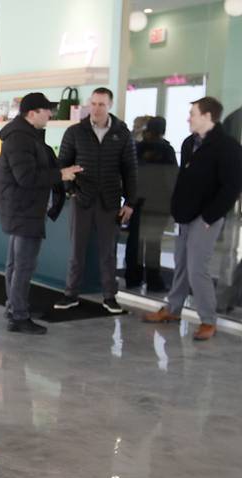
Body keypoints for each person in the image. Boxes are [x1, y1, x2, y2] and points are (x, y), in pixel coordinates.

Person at [143, 97, 242, 340]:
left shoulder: (228, 147)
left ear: (208, 117)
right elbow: (184, 181)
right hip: (185, 215)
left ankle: (208, 320)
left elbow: (231, 187)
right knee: (182, 264)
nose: (188, 118)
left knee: (198, 269)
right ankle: (173, 309)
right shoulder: (189, 143)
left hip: (206, 217)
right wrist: (177, 210)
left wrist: (209, 216)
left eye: (193, 114)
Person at [0, 92, 83, 334]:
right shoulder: (21, 138)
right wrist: (61, 175)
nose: (50, 114)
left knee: (16, 263)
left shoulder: (24, 136)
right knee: (23, 265)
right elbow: (26, 177)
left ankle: (15, 307)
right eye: (47, 110)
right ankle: (19, 315)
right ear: (32, 113)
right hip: (24, 209)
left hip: (21, 208)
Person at [53, 87, 138, 314]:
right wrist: (71, 190)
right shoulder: (75, 132)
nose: (97, 108)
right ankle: (70, 294)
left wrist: (130, 201)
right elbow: (62, 164)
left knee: (108, 252)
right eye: (94, 103)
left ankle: (110, 297)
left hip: (110, 200)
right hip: (82, 198)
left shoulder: (122, 133)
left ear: (110, 105)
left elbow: (130, 170)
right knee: (76, 250)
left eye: (102, 104)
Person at [125, 116, 178, 291]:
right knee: (154, 243)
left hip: (138, 201)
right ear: (163, 130)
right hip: (159, 204)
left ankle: (133, 277)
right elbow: (172, 179)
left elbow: (130, 175)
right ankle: (154, 281)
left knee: (135, 241)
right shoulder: (167, 151)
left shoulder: (137, 148)